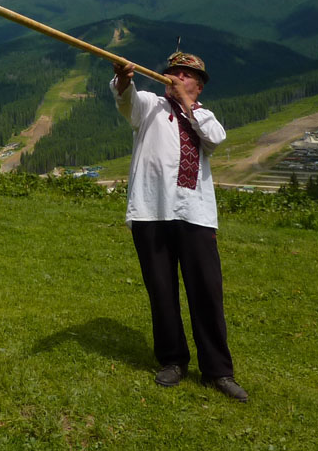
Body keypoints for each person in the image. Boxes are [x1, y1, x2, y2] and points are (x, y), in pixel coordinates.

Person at [111, 50, 248, 403]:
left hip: (195, 214)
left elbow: (215, 139)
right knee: (161, 289)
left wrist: (188, 104)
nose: (175, 77)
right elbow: (128, 104)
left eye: (185, 75)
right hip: (150, 211)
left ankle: (218, 371)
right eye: (172, 71)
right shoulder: (150, 104)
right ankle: (172, 360)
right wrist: (124, 80)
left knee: (206, 291)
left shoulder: (205, 116)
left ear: (198, 86)